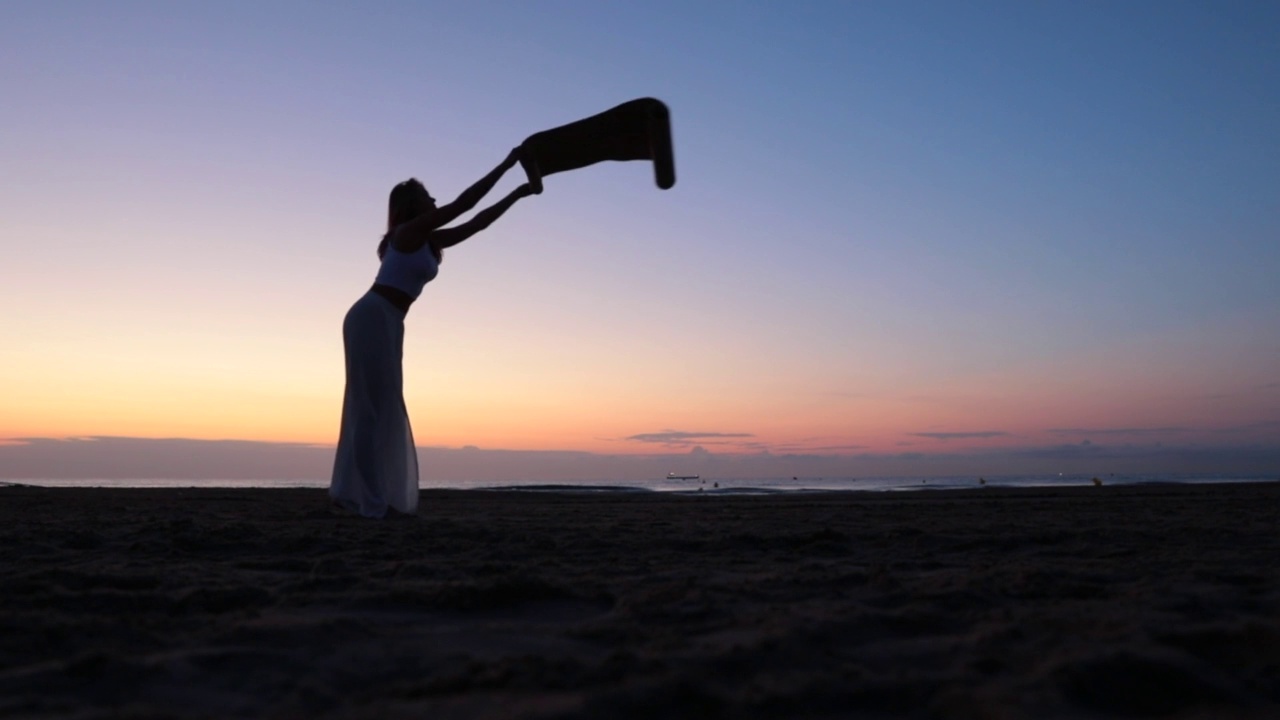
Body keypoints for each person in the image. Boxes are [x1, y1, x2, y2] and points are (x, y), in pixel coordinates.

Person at [330, 149, 534, 518]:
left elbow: (478, 222)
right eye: (428, 197)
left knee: (384, 407)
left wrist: (519, 192)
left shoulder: (427, 240)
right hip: (371, 316)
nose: (435, 200)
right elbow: (463, 204)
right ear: (412, 205)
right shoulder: (406, 233)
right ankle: (370, 502)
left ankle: (370, 497)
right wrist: (507, 164)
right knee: (369, 410)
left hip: (390, 321)